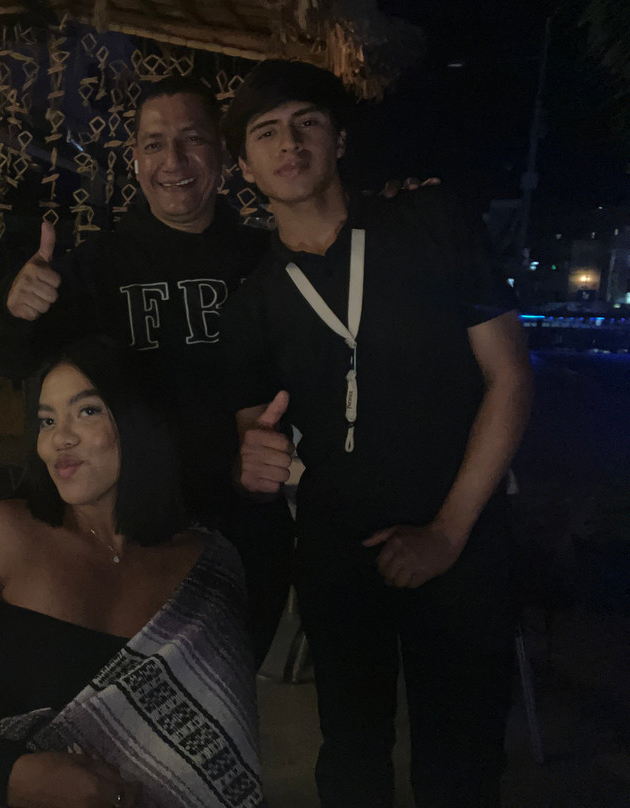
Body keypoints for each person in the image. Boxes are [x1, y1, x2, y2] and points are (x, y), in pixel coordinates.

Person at [219, 60, 533, 808]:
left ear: (339, 140)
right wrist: (250, 464)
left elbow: (511, 379)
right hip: (338, 552)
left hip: (463, 538)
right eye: (266, 132)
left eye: (308, 122)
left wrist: (447, 533)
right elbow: (253, 432)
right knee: (351, 758)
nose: (289, 143)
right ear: (245, 167)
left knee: (461, 765)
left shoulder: (430, 222)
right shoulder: (253, 301)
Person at [0, 75, 294, 659]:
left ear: (224, 156)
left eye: (192, 139)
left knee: (222, 687)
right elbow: (5, 355)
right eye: (154, 144)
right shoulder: (96, 266)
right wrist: (14, 309)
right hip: (127, 529)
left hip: (242, 523)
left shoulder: (267, 260)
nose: (173, 160)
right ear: (136, 160)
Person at [0, 337, 265, 808]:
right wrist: (11, 775)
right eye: (47, 420)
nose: (59, 438)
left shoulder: (207, 566)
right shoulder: (2, 535)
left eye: (87, 412)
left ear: (142, 422)